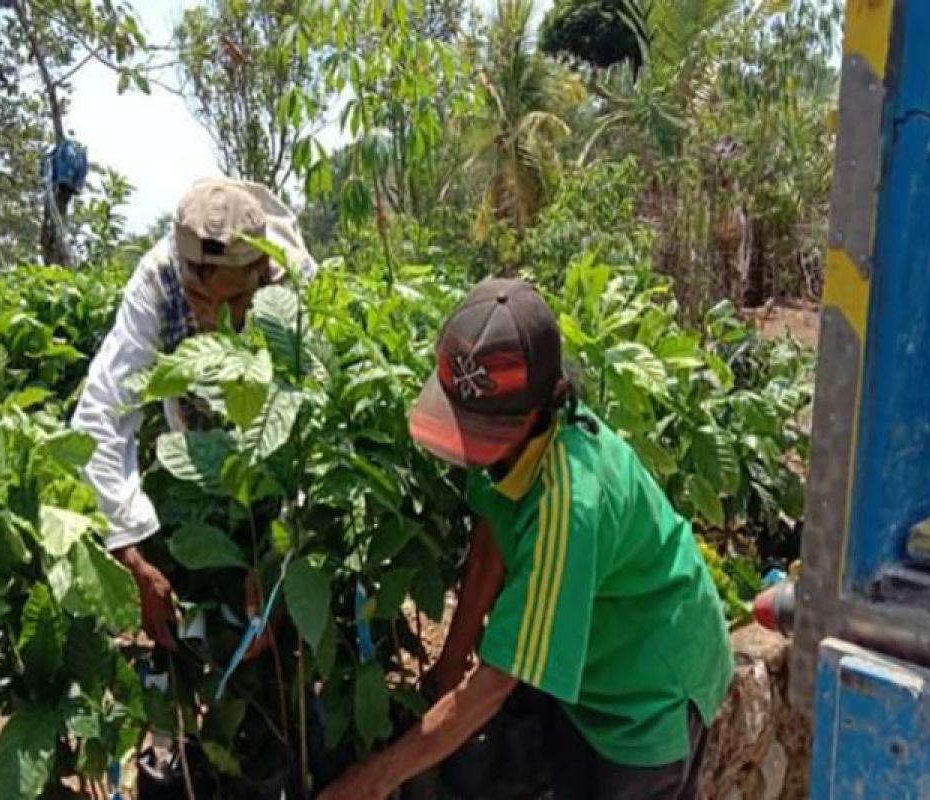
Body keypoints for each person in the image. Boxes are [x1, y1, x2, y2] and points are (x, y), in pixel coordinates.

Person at [319, 278, 734, 800]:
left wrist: (376, 778)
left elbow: (496, 681)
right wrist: (447, 668)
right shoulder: (500, 441)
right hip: (590, 671)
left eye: (482, 431)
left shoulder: (569, 503)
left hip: (651, 688)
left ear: (546, 404)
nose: (469, 443)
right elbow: (491, 537)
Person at [71, 177, 317, 652]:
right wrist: (129, 553)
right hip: (200, 446)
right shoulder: (158, 278)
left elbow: (311, 438)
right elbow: (104, 409)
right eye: (198, 300)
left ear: (262, 272)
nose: (210, 318)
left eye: (232, 302)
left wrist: (279, 556)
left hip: (278, 459)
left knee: (289, 616)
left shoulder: (298, 287)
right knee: (209, 577)